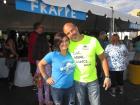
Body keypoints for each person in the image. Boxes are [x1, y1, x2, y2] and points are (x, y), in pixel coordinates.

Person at [63, 22, 111, 105]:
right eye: (68, 33)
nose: (71, 33)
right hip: (77, 81)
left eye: (72, 30)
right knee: (80, 103)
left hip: (93, 80)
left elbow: (103, 59)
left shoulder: (92, 40)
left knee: (96, 103)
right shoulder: (67, 45)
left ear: (76, 28)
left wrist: (107, 77)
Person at [38, 32, 75, 105]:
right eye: (61, 41)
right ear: (57, 43)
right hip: (57, 88)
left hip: (70, 87)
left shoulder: (72, 54)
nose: (64, 43)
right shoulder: (52, 55)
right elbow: (40, 64)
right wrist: (46, 78)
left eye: (66, 40)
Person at [33, 34, 53, 105]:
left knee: (39, 88)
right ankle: (47, 101)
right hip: (47, 72)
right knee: (47, 87)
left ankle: (40, 102)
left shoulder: (36, 49)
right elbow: (51, 60)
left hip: (38, 73)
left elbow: (36, 63)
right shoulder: (48, 50)